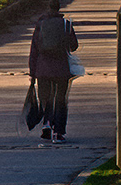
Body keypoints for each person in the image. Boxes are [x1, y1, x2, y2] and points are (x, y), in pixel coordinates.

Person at [22, 7, 79, 145]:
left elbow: (34, 50)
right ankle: (58, 132)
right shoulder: (66, 24)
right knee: (60, 100)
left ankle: (46, 124)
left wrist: (32, 72)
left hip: (43, 69)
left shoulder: (40, 25)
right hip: (62, 69)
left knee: (46, 99)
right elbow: (74, 46)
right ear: (59, 10)